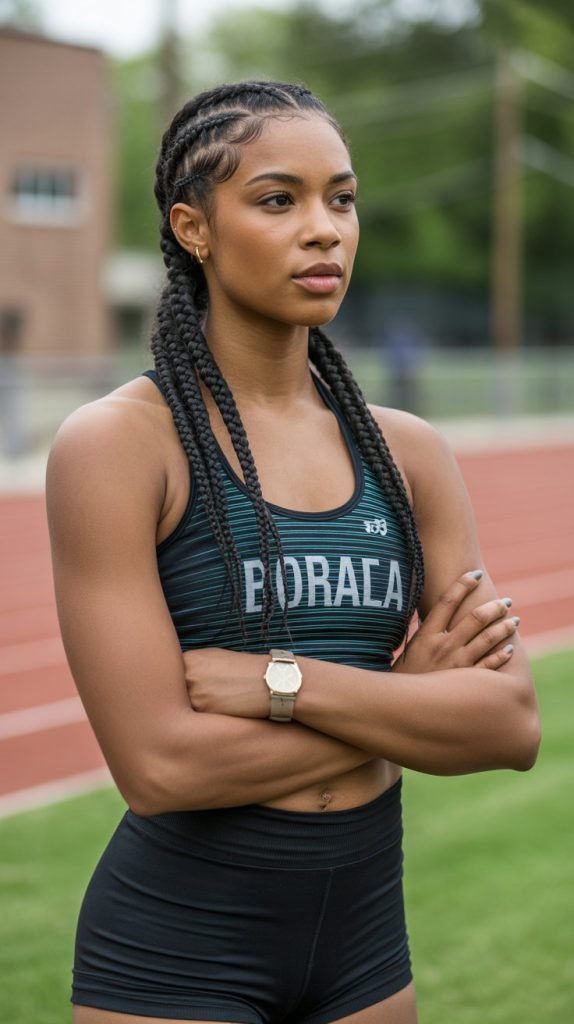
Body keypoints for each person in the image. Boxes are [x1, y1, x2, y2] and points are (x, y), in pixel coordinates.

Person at [46, 81, 540, 1024]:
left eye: (341, 199)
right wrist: (406, 698)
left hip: (365, 943)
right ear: (194, 227)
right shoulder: (119, 446)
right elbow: (159, 766)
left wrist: (282, 683)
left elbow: (506, 726)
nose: (325, 230)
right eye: (280, 200)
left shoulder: (409, 452)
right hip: (175, 951)